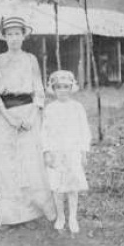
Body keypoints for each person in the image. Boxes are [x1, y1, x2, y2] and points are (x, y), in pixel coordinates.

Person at [0, 15, 55, 227]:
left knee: (30, 162)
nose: (14, 38)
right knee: (6, 164)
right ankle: (10, 215)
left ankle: (33, 211)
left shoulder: (31, 59)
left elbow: (38, 89)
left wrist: (32, 115)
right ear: (4, 37)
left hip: (28, 114)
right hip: (4, 117)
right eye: (10, 34)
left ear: (23, 36)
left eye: (18, 34)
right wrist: (8, 118)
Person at [42, 70, 92, 234]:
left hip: (72, 152)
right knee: (57, 187)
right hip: (56, 152)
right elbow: (45, 132)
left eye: (65, 87)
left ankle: (73, 217)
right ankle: (60, 216)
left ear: (71, 88)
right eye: (58, 87)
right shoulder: (50, 109)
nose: (62, 90)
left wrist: (83, 151)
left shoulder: (77, 108)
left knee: (72, 187)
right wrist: (47, 151)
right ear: (53, 89)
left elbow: (84, 130)